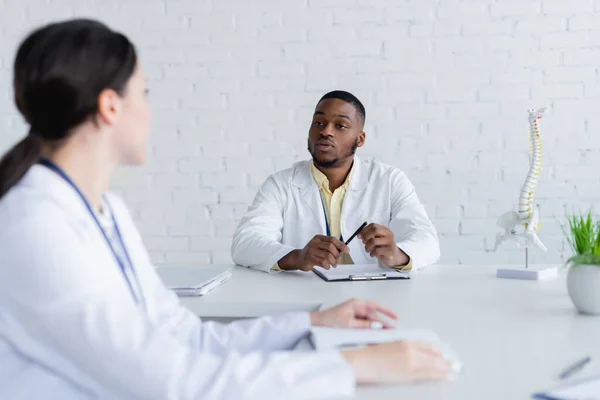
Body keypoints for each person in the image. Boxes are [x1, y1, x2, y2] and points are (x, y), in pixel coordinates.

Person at [0, 19, 452, 399]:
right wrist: (351, 366)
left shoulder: (105, 211)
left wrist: (311, 322)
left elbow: (189, 338)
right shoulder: (35, 226)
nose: (150, 112)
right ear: (110, 106)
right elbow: (173, 382)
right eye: (145, 93)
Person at [232, 91, 439, 273]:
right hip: (304, 297)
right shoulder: (281, 184)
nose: (326, 131)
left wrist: (398, 255)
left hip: (373, 296)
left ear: (360, 139)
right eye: (319, 123)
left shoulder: (389, 180)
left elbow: (428, 242)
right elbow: (245, 243)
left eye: (340, 125)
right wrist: (298, 257)